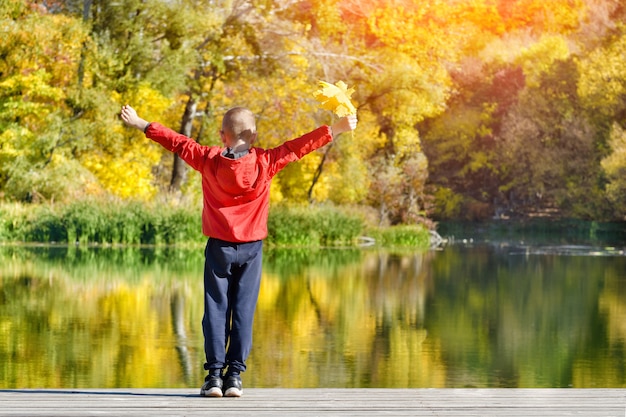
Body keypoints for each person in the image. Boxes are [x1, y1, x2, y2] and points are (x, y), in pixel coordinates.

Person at [120, 104, 357, 397]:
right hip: (251, 250)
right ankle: (234, 377)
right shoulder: (266, 162)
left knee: (216, 311)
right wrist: (335, 129)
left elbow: (178, 142)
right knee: (243, 311)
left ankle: (215, 378)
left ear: (223, 136)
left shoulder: (209, 159)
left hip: (219, 248)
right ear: (254, 136)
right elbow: (298, 147)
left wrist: (141, 122)